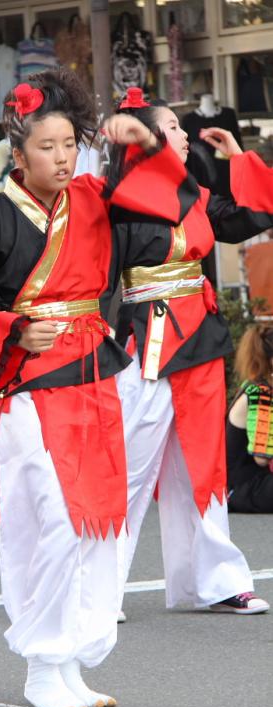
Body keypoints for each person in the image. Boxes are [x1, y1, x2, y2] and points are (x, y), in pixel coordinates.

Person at [0, 69, 186, 707]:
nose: (59, 156)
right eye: (44, 146)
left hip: (94, 377)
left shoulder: (92, 199)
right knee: (48, 518)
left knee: (96, 522)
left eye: (68, 143)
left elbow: (158, 204)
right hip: (31, 385)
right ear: (17, 155)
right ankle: (42, 662)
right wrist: (18, 331)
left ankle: (76, 652)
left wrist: (141, 141)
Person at [103, 87, 273, 615]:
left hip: (198, 336)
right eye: (172, 127)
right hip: (147, 341)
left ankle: (213, 583)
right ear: (144, 139)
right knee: (129, 469)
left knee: (204, 464)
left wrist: (238, 154)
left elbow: (254, 214)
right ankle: (97, 589)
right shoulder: (113, 197)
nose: (183, 135)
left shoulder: (196, 195)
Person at [227, 325, 273, 513]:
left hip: (240, 485)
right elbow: (261, 458)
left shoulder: (253, 386)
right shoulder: (261, 396)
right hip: (244, 488)